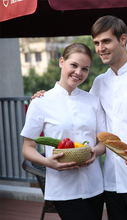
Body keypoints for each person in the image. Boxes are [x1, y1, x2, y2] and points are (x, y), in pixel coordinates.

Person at [32, 16, 127, 220]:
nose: (100, 47)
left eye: (106, 41)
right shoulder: (99, 82)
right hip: (110, 183)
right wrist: (44, 96)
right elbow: (79, 106)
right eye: (96, 43)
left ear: (123, 39)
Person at [21, 43, 106, 220]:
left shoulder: (93, 101)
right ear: (62, 62)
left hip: (95, 185)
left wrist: (94, 152)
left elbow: (102, 142)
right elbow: (27, 147)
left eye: (85, 69)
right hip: (63, 188)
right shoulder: (40, 102)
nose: (78, 72)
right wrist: (48, 162)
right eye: (74, 65)